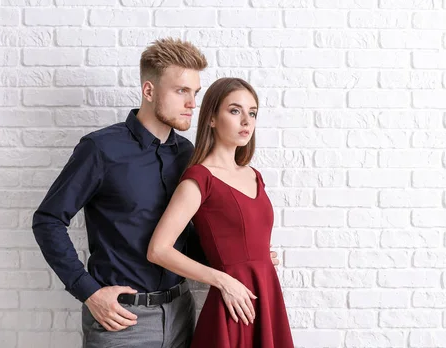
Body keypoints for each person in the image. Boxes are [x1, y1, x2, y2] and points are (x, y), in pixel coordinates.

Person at [32, 39, 279, 348]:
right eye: (181, 91)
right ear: (149, 91)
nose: (192, 103)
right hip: (122, 319)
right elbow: (48, 220)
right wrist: (89, 292)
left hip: (181, 312)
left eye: (195, 93)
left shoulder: (187, 153)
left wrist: (242, 258)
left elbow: (187, 236)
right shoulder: (101, 149)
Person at [148, 77, 294, 348]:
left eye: (252, 113)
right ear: (212, 119)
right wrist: (223, 279)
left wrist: (260, 259)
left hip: (266, 295)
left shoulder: (254, 176)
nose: (247, 121)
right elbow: (158, 249)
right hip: (233, 304)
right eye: (235, 110)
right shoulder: (199, 179)